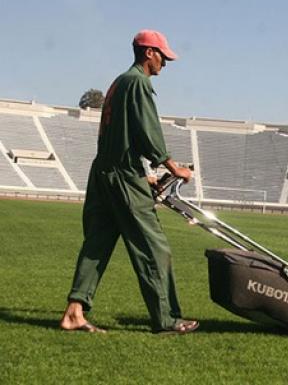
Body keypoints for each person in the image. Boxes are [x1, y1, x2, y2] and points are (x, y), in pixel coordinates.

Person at [59, 29, 198, 334]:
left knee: (97, 244)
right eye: (163, 56)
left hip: (105, 174)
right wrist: (173, 167)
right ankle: (166, 319)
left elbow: (122, 134)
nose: (166, 62)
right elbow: (147, 131)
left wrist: (144, 173)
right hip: (123, 177)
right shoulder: (138, 82)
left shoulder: (119, 83)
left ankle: (74, 311)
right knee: (153, 248)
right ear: (149, 53)